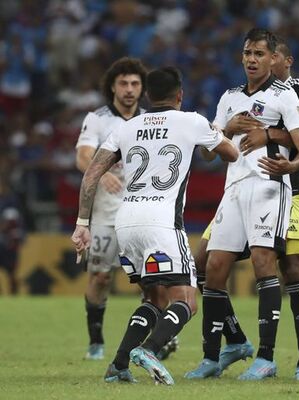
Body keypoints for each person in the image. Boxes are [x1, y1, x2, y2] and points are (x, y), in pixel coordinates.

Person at [71, 66, 238, 385]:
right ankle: (150, 349)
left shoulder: (127, 127)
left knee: (155, 300)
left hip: (126, 222)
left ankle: (118, 365)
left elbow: (92, 173)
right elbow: (229, 153)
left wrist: (82, 222)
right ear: (180, 95)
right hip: (162, 222)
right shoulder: (192, 121)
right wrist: (209, 136)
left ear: (147, 94)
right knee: (187, 299)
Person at [186, 35, 299, 381]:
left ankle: (265, 357)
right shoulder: (229, 97)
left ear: (272, 58)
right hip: (232, 189)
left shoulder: (285, 95)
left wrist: (290, 166)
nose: (252, 59)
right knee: (213, 265)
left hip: (269, 187)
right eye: (247, 52)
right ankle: (210, 356)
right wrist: (225, 131)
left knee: (267, 262)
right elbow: (206, 151)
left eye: (259, 53)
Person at [75, 57, 149, 361]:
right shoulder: (98, 119)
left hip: (143, 212)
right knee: (101, 277)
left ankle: (153, 341)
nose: (129, 89)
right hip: (105, 215)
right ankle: (96, 340)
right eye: (123, 83)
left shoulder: (150, 120)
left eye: (134, 83)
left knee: (151, 280)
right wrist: (101, 172)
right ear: (112, 86)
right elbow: (82, 157)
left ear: (142, 87)